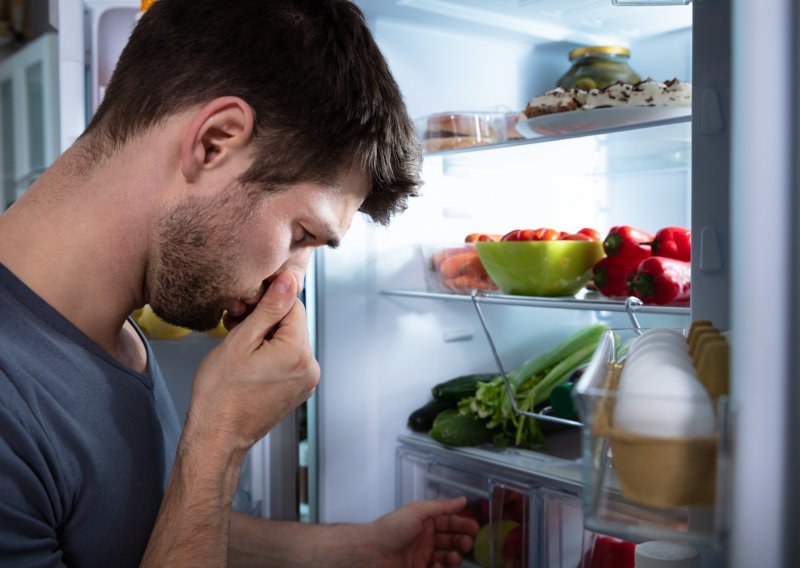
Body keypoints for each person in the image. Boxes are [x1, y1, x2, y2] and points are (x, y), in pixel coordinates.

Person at [0, 0, 479, 566]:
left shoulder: (112, 329)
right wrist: (219, 441)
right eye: (303, 233)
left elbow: (129, 531)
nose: (290, 284)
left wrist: (351, 550)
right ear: (215, 142)